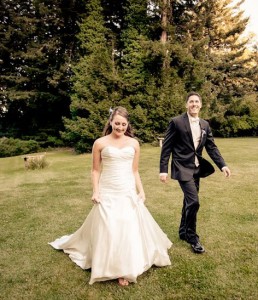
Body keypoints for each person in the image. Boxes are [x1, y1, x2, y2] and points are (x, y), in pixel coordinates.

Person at [49, 106, 172, 286]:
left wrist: (141, 190)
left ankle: (124, 269)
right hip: (108, 189)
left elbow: (135, 171)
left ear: (127, 124)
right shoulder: (100, 143)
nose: (120, 127)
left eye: (123, 124)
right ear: (111, 122)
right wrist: (96, 191)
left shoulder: (134, 143)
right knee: (109, 226)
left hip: (127, 189)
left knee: (127, 225)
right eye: (117, 123)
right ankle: (110, 266)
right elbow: (95, 170)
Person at [159, 92, 231, 254]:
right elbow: (167, 147)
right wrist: (163, 170)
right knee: (194, 202)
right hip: (181, 167)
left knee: (188, 201)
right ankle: (192, 237)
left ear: (200, 105)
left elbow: (211, 147)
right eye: (191, 101)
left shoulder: (205, 124)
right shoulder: (176, 122)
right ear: (186, 105)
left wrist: (223, 165)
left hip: (197, 169)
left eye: (196, 101)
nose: (194, 104)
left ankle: (183, 231)